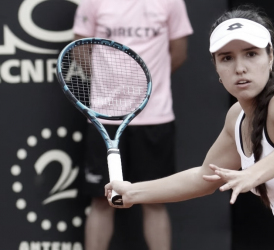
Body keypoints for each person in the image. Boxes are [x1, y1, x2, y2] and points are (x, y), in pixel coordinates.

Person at [104, 4, 274, 250]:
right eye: (227, 58)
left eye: (251, 54)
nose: (240, 68)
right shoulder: (236, 117)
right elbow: (204, 178)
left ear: (270, 57)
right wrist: (133, 192)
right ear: (217, 68)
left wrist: (252, 173)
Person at [72, 0, 193, 250]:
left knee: (155, 200)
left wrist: (143, 87)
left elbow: (179, 52)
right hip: (104, 119)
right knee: (101, 201)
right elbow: (79, 47)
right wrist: (109, 81)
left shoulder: (171, 2)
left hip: (155, 117)